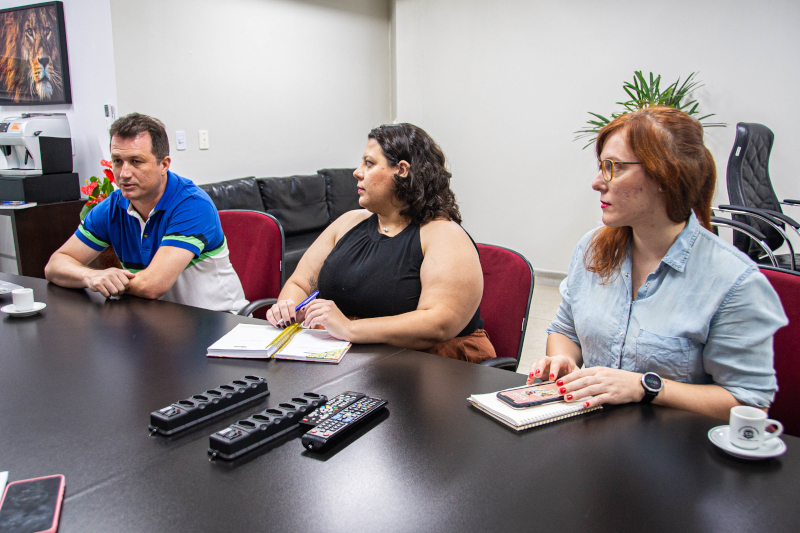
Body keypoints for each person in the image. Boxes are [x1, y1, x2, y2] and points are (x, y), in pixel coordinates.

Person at [527, 106, 787, 420]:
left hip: (679, 453)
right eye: (600, 166)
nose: (597, 182)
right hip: (594, 438)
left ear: (664, 175)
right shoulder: (593, 248)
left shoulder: (733, 280)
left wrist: (646, 387)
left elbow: (748, 403)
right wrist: (563, 360)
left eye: (614, 167)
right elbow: (564, 331)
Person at [266, 123, 495, 363]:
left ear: (402, 170)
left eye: (369, 163)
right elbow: (301, 283)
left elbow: (438, 325)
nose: (357, 172)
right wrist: (288, 306)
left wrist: (350, 329)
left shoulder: (444, 235)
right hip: (350, 356)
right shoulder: (348, 222)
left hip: (431, 365)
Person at [45, 113, 247, 313]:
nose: (124, 173)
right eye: (117, 161)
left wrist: (107, 283)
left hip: (219, 324)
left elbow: (151, 285)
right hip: (160, 321)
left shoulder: (192, 204)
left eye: (136, 161)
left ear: (164, 165)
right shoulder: (113, 207)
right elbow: (55, 264)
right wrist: (91, 277)